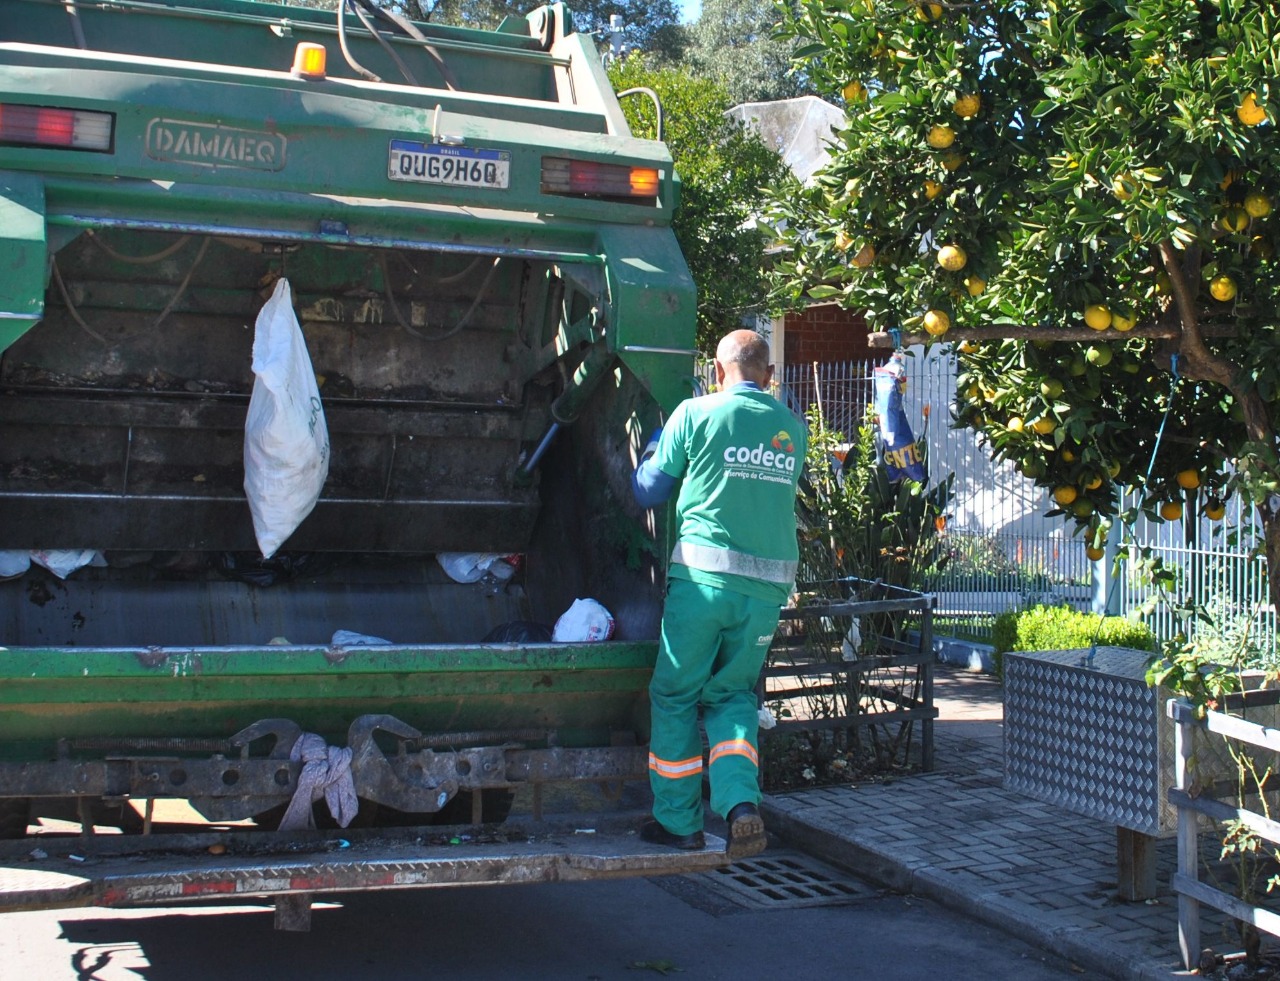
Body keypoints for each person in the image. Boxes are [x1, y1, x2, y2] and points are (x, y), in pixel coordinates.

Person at [631, 329, 806, 859]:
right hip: (765, 593)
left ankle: (679, 821)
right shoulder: (792, 428)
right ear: (768, 376)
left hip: (704, 584)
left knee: (676, 695)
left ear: (717, 368)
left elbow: (648, 489)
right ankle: (739, 806)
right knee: (732, 697)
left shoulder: (694, 413)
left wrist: (656, 447)